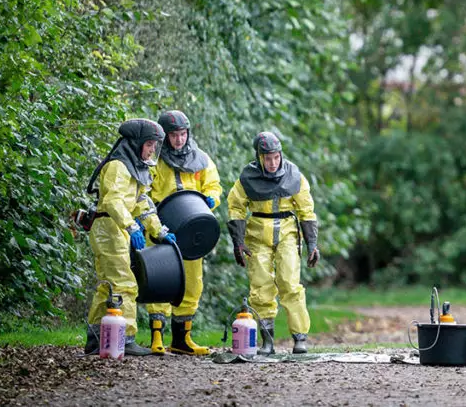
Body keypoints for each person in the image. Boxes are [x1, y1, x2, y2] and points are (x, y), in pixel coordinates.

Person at [85, 119, 177, 356]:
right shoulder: (118, 166)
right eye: (149, 144)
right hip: (109, 227)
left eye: (154, 145)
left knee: (107, 286)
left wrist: (159, 231)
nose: (152, 150)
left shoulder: (137, 167)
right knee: (125, 283)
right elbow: (112, 201)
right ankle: (125, 339)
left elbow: (142, 205)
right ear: (137, 143)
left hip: (116, 228)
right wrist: (131, 227)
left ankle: (96, 339)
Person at [227, 132, 320, 355]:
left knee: (290, 283)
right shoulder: (247, 178)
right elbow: (236, 208)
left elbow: (306, 210)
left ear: (281, 155)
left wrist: (312, 243)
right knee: (260, 287)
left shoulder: (294, 175)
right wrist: (238, 241)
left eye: (276, 157)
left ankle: (300, 338)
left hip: (287, 234)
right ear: (259, 157)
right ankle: (267, 341)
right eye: (267, 158)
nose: (272, 162)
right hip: (257, 235)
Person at [145, 110, 222, 355]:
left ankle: (181, 340)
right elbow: (144, 190)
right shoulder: (153, 160)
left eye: (182, 134)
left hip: (191, 227)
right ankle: (157, 337)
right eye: (173, 135)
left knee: (192, 282)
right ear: (165, 137)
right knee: (160, 279)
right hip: (161, 225)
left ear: (188, 133)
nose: (179, 139)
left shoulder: (201, 158)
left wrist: (212, 199)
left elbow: (213, 185)